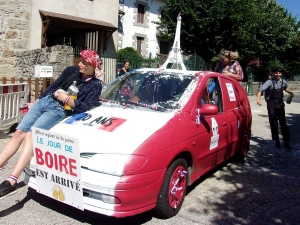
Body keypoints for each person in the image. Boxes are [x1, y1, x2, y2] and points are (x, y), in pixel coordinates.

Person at [0, 50, 102, 197]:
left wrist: (66, 99)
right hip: (45, 102)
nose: (79, 64)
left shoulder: (95, 85)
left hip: (58, 110)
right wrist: (38, 100)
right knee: (18, 132)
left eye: (84, 63)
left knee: (31, 135)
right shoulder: (71, 71)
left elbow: (83, 106)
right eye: (80, 61)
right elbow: (54, 87)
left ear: (92, 66)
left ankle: (11, 180)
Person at [256, 67, 294, 151]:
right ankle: (276, 140)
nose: (278, 74)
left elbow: (285, 88)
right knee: (273, 122)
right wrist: (258, 99)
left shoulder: (283, 81)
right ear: (273, 73)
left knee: (283, 122)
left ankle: (286, 141)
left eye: (279, 73)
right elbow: (260, 90)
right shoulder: (269, 82)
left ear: (281, 74)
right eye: (276, 73)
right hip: (271, 104)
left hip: (280, 103)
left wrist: (290, 92)